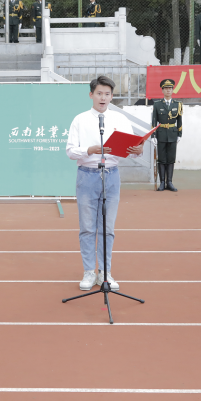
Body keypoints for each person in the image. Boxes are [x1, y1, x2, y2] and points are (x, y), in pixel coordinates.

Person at [66, 76, 144, 291]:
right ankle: (89, 272)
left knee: (107, 228)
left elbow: (130, 150)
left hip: (111, 175)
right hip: (87, 175)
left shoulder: (120, 119)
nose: (103, 98)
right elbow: (70, 151)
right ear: (91, 95)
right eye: (99, 93)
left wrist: (138, 150)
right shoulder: (80, 120)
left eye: (107, 94)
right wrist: (89, 150)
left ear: (112, 96)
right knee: (87, 227)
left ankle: (105, 272)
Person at [151, 78, 182, 192]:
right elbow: (154, 121)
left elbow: (179, 121)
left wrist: (179, 134)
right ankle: (162, 182)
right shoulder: (157, 104)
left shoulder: (178, 104)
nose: (168, 90)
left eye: (170, 88)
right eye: (166, 88)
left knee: (171, 159)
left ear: (173, 90)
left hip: (173, 134)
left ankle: (169, 182)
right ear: (162, 90)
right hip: (161, 134)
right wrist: (153, 136)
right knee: (161, 159)